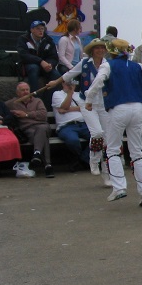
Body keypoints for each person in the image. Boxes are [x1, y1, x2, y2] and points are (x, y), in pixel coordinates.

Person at [85, 38, 142, 206]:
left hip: (118, 108)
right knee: (137, 151)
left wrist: (88, 100)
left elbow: (97, 82)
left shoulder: (108, 66)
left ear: (112, 52)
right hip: (138, 108)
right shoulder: (138, 66)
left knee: (113, 149)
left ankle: (119, 187)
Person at [48, 38, 112, 184]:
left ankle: (107, 173)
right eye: (97, 48)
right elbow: (68, 75)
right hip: (86, 102)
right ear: (92, 50)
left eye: (102, 48)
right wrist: (55, 82)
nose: (100, 50)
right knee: (97, 133)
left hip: (103, 103)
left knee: (107, 140)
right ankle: (93, 160)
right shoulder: (84, 63)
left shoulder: (108, 65)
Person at [6, 82, 54, 177]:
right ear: (17, 92)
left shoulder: (37, 101)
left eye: (27, 90)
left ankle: (37, 154)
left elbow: (43, 115)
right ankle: (47, 165)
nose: (25, 92)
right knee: (42, 138)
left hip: (43, 126)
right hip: (28, 130)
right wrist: (12, 112)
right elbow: (2, 110)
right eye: (22, 90)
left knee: (42, 128)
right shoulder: (12, 103)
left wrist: (26, 114)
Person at [51, 81, 91, 171]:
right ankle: (83, 161)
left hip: (83, 124)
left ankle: (82, 160)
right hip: (66, 126)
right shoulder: (57, 94)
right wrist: (70, 93)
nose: (69, 85)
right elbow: (64, 107)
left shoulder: (80, 95)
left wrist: (67, 109)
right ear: (62, 84)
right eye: (67, 83)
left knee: (99, 137)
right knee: (73, 140)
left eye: (71, 83)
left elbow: (87, 107)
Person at [16, 20, 61, 96]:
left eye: (42, 29)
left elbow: (54, 57)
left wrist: (50, 64)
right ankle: (35, 98)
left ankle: (49, 101)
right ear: (31, 30)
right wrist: (40, 61)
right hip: (28, 64)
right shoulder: (23, 39)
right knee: (34, 68)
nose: (40, 31)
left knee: (56, 75)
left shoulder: (48, 40)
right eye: (37, 28)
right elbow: (24, 55)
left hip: (44, 66)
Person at [0, 99, 21, 177]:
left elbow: (10, 116)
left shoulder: (1, 104)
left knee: (13, 141)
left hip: (2, 128)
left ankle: (15, 165)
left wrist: (2, 121)